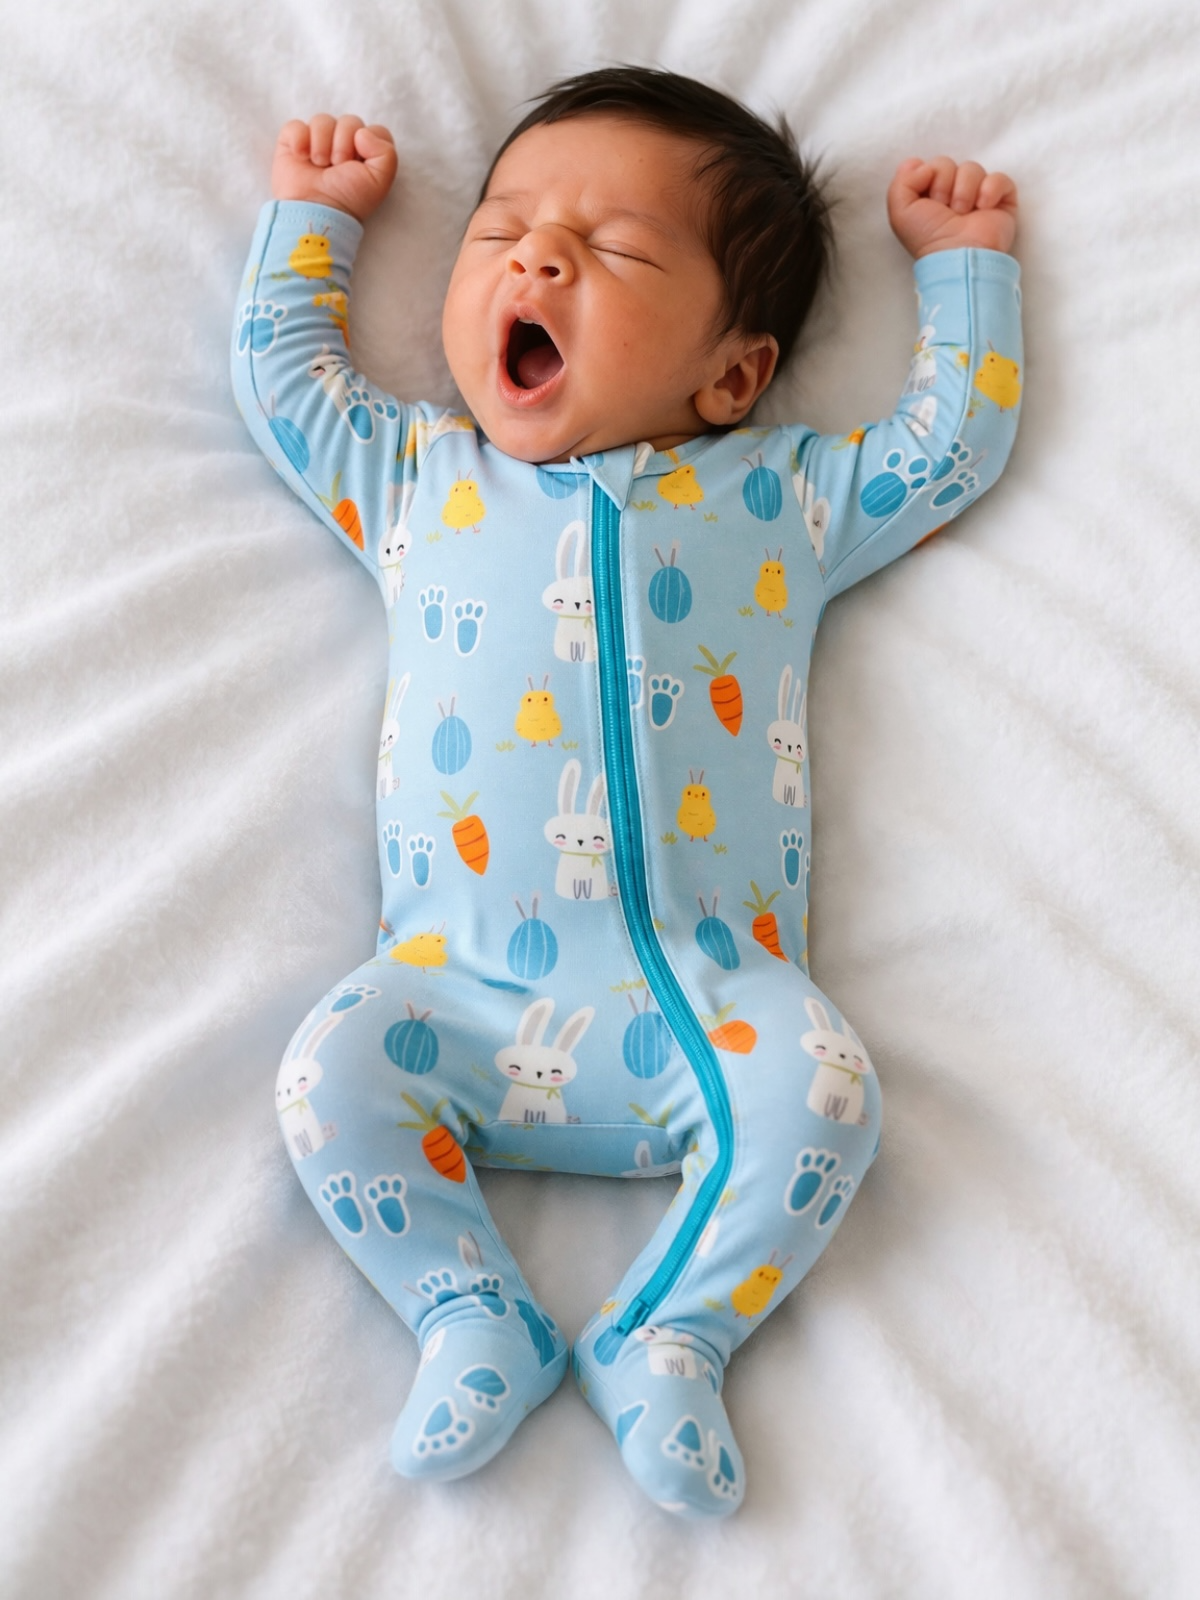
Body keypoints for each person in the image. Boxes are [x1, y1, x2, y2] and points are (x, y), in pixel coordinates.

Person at [232, 66, 1021, 1519]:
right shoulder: (415, 478)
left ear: (733, 375)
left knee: (828, 1097)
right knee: (328, 1078)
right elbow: (285, 385)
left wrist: (965, 272)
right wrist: (314, 226)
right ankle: (470, 1311)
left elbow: (947, 449)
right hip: (453, 987)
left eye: (611, 249)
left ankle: (666, 1334)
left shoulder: (782, 500)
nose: (536, 257)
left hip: (714, 1001)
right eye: (503, 230)